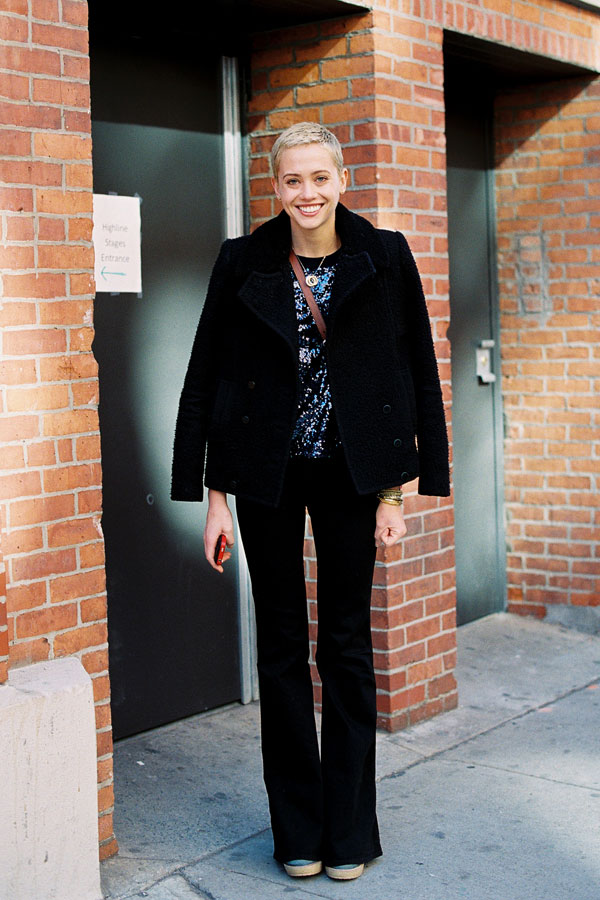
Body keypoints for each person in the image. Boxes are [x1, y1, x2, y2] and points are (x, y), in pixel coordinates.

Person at [171, 122, 450, 881]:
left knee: (347, 647)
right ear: (276, 186)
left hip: (352, 478)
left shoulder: (384, 255)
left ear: (341, 179)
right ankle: (298, 831)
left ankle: (350, 833)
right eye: (293, 180)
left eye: (319, 177)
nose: (307, 193)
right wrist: (213, 496)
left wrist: (397, 493)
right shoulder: (243, 261)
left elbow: (412, 372)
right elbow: (207, 379)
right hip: (267, 477)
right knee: (282, 649)